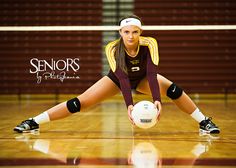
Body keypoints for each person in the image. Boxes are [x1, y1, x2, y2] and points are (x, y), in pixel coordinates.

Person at [14, 15, 220, 134]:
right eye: (126, 32)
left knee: (174, 90)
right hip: (117, 80)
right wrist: (129, 106)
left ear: (141, 32)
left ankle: (204, 122)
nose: (131, 36)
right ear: (120, 32)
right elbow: (121, 78)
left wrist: (157, 100)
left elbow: (151, 74)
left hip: (142, 79)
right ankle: (34, 122)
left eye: (135, 32)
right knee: (79, 103)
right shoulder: (112, 48)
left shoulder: (150, 43)